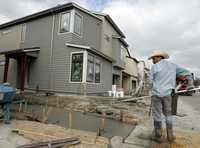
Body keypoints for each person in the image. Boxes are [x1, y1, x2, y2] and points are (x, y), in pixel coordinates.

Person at [148, 51, 176, 143]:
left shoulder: (154, 67)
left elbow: (150, 82)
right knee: (168, 114)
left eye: (153, 58)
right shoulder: (173, 66)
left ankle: (158, 136)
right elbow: (185, 73)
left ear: (158, 57)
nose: (152, 60)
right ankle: (170, 136)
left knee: (157, 115)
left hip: (156, 94)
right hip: (168, 94)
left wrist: (150, 90)